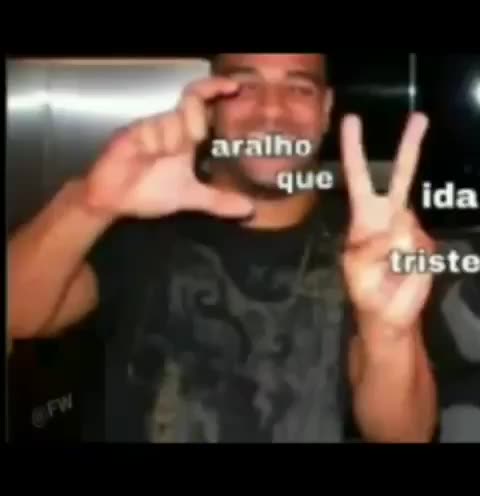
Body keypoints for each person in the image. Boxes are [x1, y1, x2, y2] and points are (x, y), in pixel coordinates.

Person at [6, 53, 474, 443]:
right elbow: (18, 315)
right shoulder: (144, 224)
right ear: (210, 107)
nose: (271, 111)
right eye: (244, 86)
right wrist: (89, 204)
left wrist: (386, 331)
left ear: (326, 109)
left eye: (299, 88)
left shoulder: (367, 247)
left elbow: (404, 434)